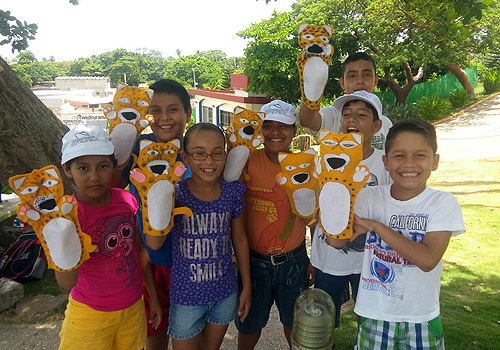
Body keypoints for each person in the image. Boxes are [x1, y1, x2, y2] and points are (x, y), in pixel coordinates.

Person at [331, 119, 465, 349]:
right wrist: (336, 190)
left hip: (420, 317)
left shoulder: (442, 203)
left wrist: (378, 227)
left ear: (435, 162)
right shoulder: (370, 197)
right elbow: (336, 240)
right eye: (399, 155)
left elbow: (427, 259)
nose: (409, 164)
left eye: (420, 155)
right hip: (375, 314)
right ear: (386, 162)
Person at [147, 122, 251, 350]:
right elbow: (154, 244)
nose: (209, 161)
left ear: (225, 155)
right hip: (185, 298)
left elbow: (240, 239)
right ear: (185, 156)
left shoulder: (232, 193)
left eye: (217, 153)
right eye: (199, 154)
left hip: (224, 293)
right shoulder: (175, 193)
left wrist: (247, 286)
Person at [56, 124, 159, 350]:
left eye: (102, 166)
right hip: (89, 315)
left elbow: (139, 252)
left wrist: (152, 295)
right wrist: (62, 237)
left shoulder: (126, 200)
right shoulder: (67, 214)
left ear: (115, 166)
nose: (94, 176)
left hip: (133, 307)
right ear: (67, 170)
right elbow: (65, 282)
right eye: (83, 168)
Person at [113, 78, 193, 350]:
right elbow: (113, 186)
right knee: (154, 334)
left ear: (187, 114)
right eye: (155, 110)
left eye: (172, 109)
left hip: (190, 263)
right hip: (149, 262)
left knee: (191, 336)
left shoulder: (198, 153)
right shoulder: (137, 148)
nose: (164, 117)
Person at [310, 90, 392, 332]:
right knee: (323, 320)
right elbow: (316, 208)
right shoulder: (324, 158)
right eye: (346, 115)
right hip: (328, 258)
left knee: (367, 320)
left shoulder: (384, 163)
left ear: (376, 125)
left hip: (368, 259)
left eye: (361, 115)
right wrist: (314, 256)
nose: (351, 120)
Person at [235, 100, 311, 349]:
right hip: (253, 263)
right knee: (249, 325)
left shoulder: (305, 165)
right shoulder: (246, 160)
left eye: (283, 126)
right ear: (259, 129)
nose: (275, 132)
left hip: (294, 261)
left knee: (295, 325)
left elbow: (313, 216)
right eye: (267, 126)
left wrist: (314, 260)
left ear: (295, 130)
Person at [299, 51, 393, 151]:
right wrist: (312, 86)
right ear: (342, 83)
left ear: (375, 80)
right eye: (352, 76)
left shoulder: (386, 123)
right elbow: (307, 120)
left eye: (367, 75)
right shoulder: (332, 115)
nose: (360, 80)